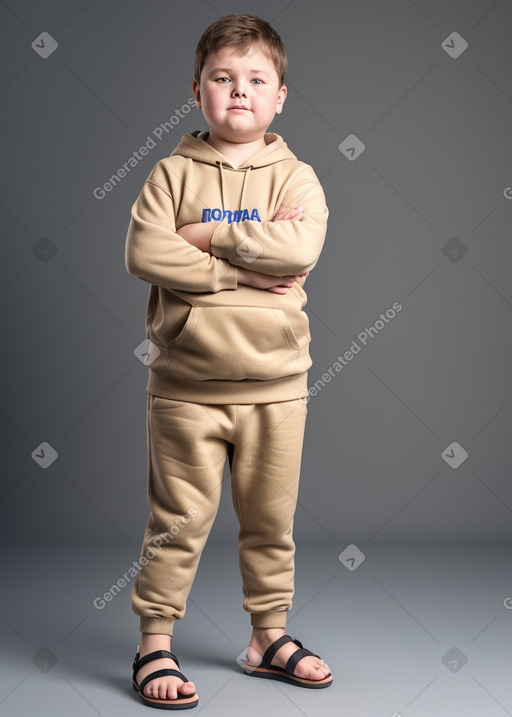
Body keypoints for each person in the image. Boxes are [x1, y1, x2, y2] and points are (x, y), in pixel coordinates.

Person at [125, 13, 332, 710]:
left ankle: (266, 637)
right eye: (222, 78)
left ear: (279, 98)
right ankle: (155, 640)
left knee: (271, 521)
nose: (238, 92)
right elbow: (147, 252)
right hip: (186, 384)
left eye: (255, 80)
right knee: (176, 521)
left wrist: (204, 236)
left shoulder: (297, 177)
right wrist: (241, 273)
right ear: (197, 91)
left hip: (277, 386)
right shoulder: (170, 171)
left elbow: (298, 251)